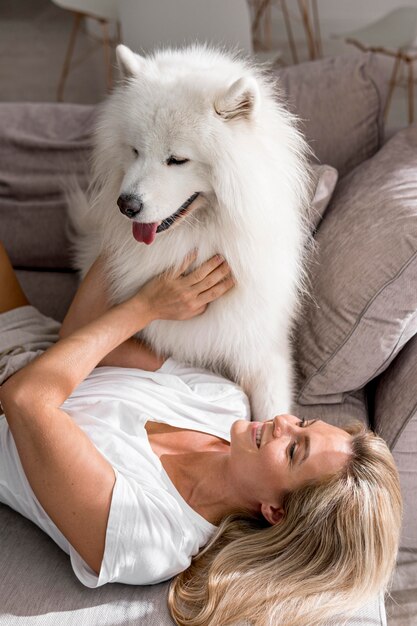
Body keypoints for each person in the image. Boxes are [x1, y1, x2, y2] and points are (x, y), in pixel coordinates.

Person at [0, 242, 402, 626]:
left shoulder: (151, 537)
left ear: (275, 512)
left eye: (294, 450)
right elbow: (78, 337)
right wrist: (138, 229)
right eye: (303, 424)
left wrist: (145, 307)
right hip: (23, 337)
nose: (283, 422)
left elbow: (25, 399)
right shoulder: (222, 402)